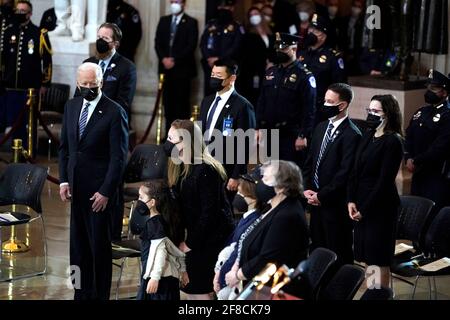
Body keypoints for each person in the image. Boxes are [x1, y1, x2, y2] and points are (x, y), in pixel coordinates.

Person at [59, 62, 129, 300]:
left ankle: (99, 296)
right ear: (77, 82)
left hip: (100, 195)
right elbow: (65, 149)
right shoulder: (71, 106)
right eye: (84, 84)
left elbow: (118, 158)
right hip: (76, 190)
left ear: (101, 82)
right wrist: (64, 181)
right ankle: (80, 293)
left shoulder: (114, 111)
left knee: (98, 250)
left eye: (92, 83)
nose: (88, 87)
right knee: (77, 250)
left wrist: (106, 191)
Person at [164, 119, 234, 300]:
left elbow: (209, 215)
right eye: (168, 138)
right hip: (194, 234)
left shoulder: (205, 170)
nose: (168, 144)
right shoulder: (177, 165)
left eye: (174, 140)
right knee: (189, 289)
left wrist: (190, 244)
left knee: (199, 291)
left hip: (210, 238)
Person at [347, 94, 404, 288]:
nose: (371, 114)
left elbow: (384, 182)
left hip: (380, 208)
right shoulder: (368, 134)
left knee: (378, 259)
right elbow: (355, 170)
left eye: (375, 111)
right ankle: (373, 291)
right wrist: (351, 200)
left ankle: (379, 294)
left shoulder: (393, 141)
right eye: (369, 110)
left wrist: (366, 209)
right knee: (365, 256)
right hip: (361, 203)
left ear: (387, 114)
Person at [224, 160, 309, 290]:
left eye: (265, 179)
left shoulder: (287, 216)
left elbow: (268, 259)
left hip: (276, 288)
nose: (260, 183)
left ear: (281, 187)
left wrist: (237, 275)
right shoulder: (273, 207)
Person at [303, 83, 361, 266]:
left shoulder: (352, 134)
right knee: (318, 250)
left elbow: (344, 173)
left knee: (338, 251)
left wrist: (322, 195)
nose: (325, 105)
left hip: (334, 204)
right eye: (325, 100)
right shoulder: (321, 127)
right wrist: (307, 189)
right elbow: (310, 162)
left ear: (342, 105)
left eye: (330, 101)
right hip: (315, 201)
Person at [256, 32, 317, 167]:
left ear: (294, 49)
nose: (279, 51)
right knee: (268, 173)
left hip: (290, 135)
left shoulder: (304, 75)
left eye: (283, 48)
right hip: (269, 132)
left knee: (288, 175)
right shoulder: (271, 72)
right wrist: (258, 127)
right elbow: (262, 101)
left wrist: (303, 135)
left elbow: (309, 108)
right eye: (277, 48)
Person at [199, 59, 256, 202]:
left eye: (218, 76)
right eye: (212, 74)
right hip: (204, 167)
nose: (213, 79)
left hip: (226, 171)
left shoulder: (242, 106)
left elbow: (245, 144)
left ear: (232, 78)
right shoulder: (207, 101)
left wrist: (236, 176)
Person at [0, 0, 52, 150]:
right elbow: (3, 59)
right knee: (12, 122)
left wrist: (45, 83)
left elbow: (47, 61)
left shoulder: (38, 33)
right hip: (10, 87)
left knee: (28, 124)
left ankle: (29, 154)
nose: (20, 13)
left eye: (23, 11)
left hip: (30, 89)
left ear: (30, 14)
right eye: (18, 10)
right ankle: (15, 154)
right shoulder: (8, 31)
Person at [213, 167, 264, 300]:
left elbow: (237, 252)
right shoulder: (246, 218)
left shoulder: (255, 220)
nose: (238, 193)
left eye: (241, 192)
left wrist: (220, 278)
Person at [134, 180, 189, 300]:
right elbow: (176, 249)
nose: (138, 200)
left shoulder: (154, 224)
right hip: (168, 278)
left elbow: (161, 251)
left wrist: (154, 278)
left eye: (141, 197)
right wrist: (183, 270)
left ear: (152, 202)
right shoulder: (166, 221)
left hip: (159, 280)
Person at [405, 70, 450, 215]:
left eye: (434, 88)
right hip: (418, 173)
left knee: (432, 214)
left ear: (444, 92)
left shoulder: (447, 115)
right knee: (416, 213)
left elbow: (440, 146)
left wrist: (416, 160)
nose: (429, 91)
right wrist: (408, 158)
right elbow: (409, 135)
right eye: (428, 87)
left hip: (436, 174)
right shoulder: (421, 111)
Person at [155, 0, 198, 134]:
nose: (174, 4)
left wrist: (175, 60)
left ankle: (181, 136)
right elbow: (157, 42)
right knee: (168, 105)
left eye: (177, 1)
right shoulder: (164, 20)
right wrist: (164, 59)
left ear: (184, 4)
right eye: (173, 1)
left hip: (182, 71)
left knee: (181, 105)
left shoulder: (191, 22)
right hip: (165, 70)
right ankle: (169, 135)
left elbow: (191, 45)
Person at [81, 23, 136, 124]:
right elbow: (79, 95)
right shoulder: (88, 63)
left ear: (115, 44)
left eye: (105, 38)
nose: (100, 41)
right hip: (86, 120)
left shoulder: (127, 67)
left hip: (110, 122)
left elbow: (123, 102)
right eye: (99, 37)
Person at [297, 14, 346, 124]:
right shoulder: (300, 54)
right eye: (310, 28)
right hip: (298, 108)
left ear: (323, 36)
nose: (311, 32)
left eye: (316, 30)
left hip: (319, 110)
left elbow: (339, 86)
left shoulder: (333, 57)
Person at [199, 0, 244, 96]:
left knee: (225, 95)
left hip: (227, 67)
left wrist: (219, 59)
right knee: (209, 94)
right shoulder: (211, 24)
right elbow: (203, 43)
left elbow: (236, 46)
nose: (223, 9)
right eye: (221, 7)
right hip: (210, 66)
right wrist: (209, 58)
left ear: (232, 8)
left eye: (226, 7)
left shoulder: (236, 26)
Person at [236, 6, 275, 107]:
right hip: (255, 72)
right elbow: (249, 56)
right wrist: (264, 63)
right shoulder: (248, 36)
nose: (254, 17)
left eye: (256, 14)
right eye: (251, 15)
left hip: (271, 69)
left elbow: (273, 50)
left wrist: (271, 62)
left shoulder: (270, 33)